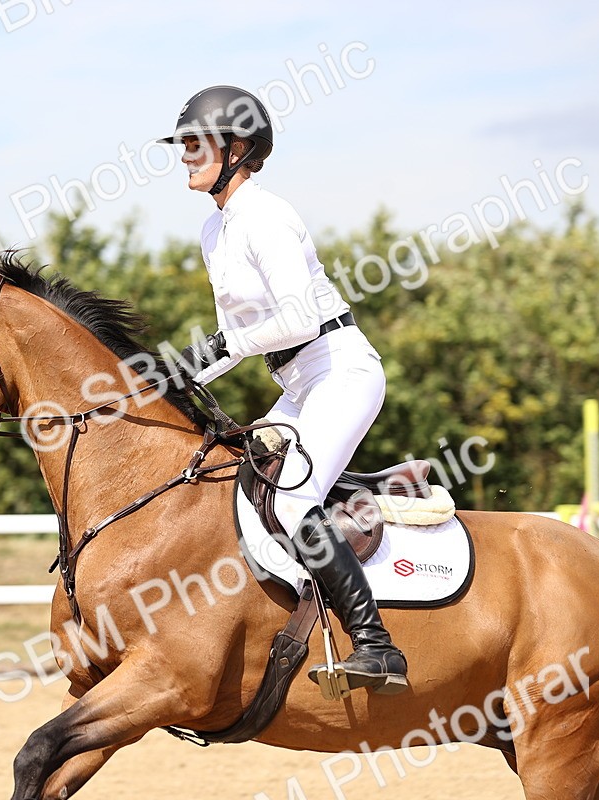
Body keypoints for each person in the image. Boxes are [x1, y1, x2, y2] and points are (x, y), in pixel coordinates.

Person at [157, 85, 408, 695]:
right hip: (297, 383)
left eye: (196, 143)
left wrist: (215, 349)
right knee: (241, 485)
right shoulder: (213, 231)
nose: (185, 154)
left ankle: (376, 645)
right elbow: (237, 335)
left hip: (340, 371)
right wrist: (177, 378)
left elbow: (296, 320)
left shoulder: (267, 217)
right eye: (183, 144)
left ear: (238, 149)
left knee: (293, 501)